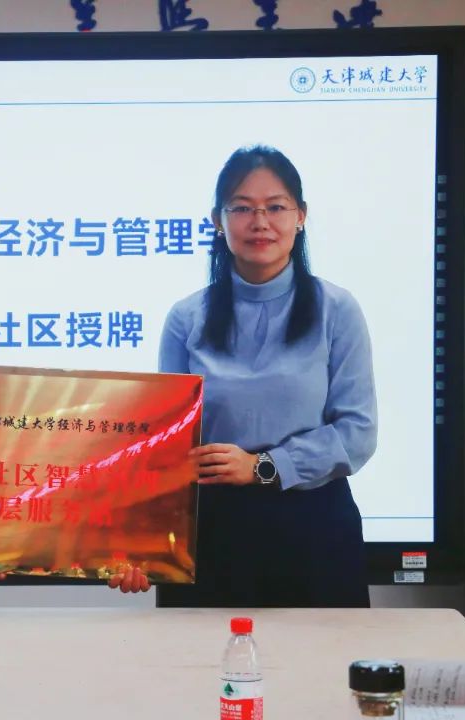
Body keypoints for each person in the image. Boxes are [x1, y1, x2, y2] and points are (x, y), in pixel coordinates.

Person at [156, 145, 377, 608]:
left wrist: (261, 466)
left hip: (313, 524)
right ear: (218, 221)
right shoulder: (186, 317)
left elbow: (357, 433)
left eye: (275, 207)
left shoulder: (337, 310)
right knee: (197, 655)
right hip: (211, 530)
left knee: (323, 656)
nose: (260, 222)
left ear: (301, 216)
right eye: (242, 208)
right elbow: (167, 442)